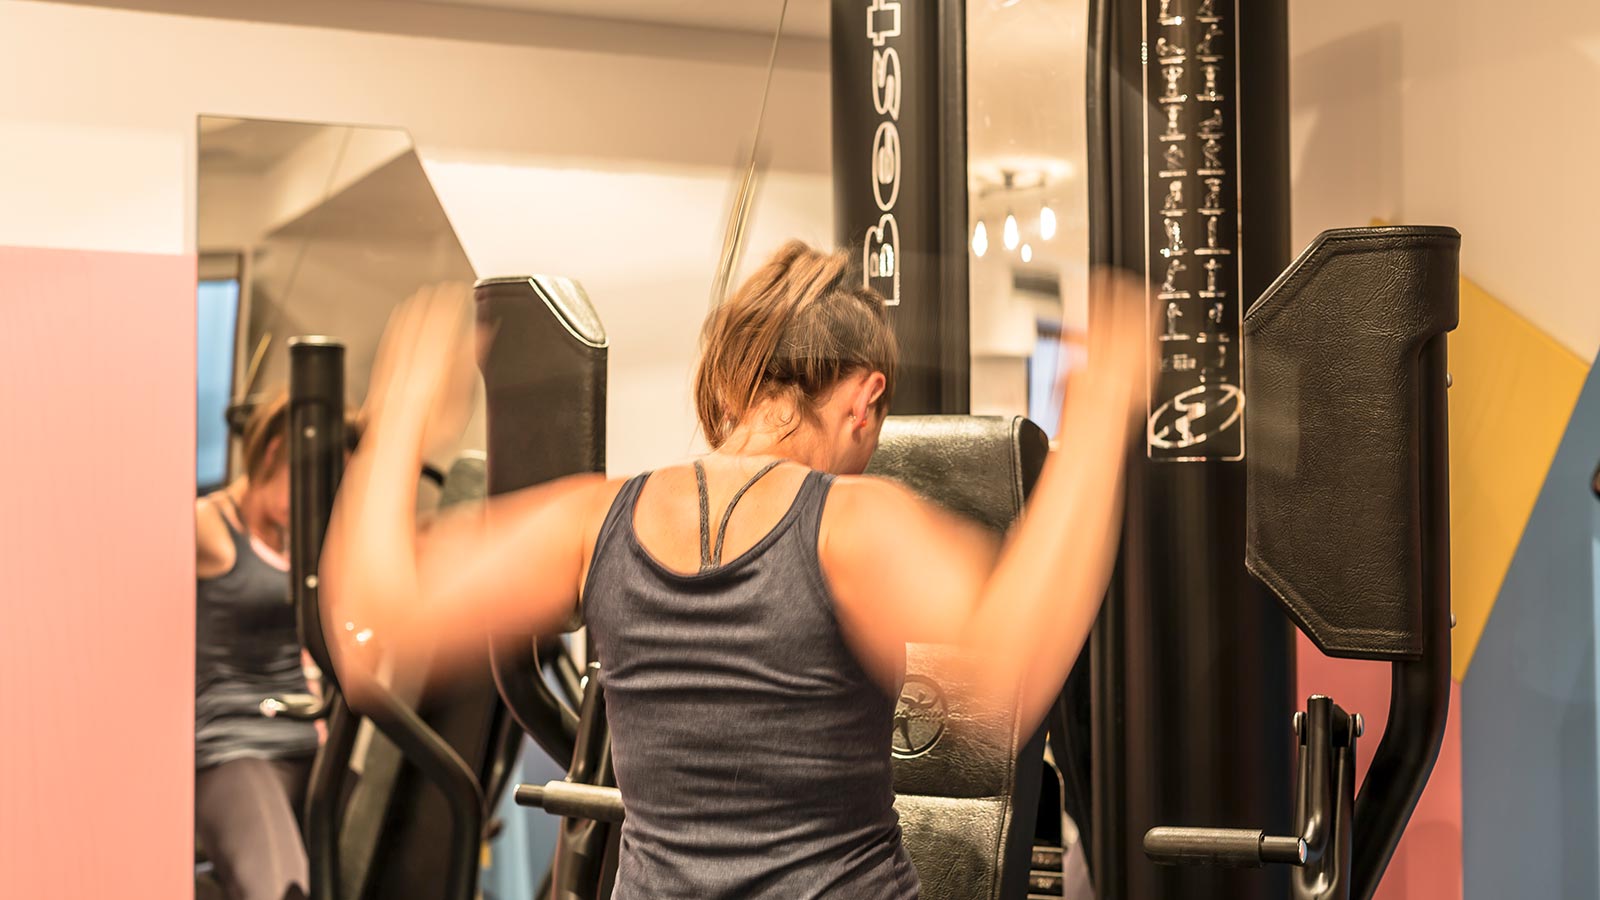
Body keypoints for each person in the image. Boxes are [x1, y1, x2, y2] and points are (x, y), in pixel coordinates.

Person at [323, 241, 1148, 899]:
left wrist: (397, 419)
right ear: (866, 399)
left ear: (730, 383)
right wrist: (1101, 412)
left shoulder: (590, 519)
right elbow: (1012, 669)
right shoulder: (852, 523)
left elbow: (372, 631)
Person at [195, 393, 362, 900]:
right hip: (233, 747)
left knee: (401, 848)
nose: (318, 496)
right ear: (271, 455)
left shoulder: (303, 537)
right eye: (309, 476)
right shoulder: (207, 526)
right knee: (285, 889)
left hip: (307, 747)